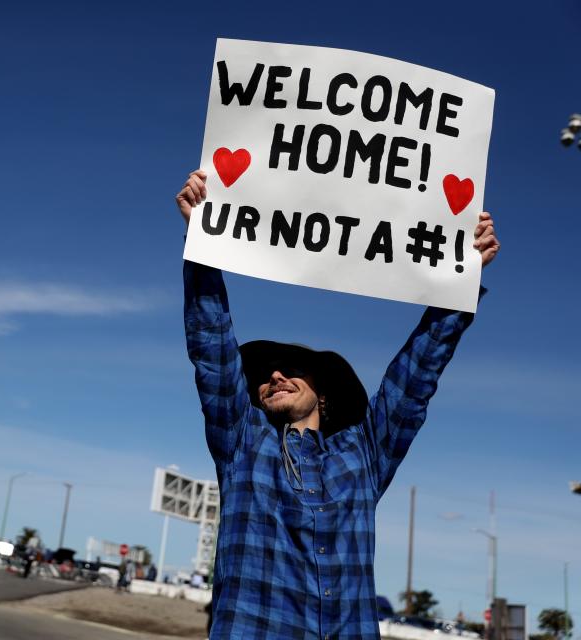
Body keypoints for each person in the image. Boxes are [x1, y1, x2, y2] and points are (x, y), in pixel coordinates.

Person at [175, 169, 500, 639]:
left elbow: (415, 380)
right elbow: (211, 345)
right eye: (265, 375)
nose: (275, 375)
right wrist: (202, 243)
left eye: (291, 369)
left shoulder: (362, 455)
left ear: (323, 392)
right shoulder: (242, 442)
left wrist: (461, 277)